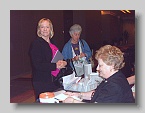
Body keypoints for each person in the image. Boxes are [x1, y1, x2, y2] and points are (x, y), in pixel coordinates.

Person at [63, 45, 135, 103]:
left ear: (111, 65)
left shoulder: (114, 86)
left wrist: (73, 101)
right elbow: (97, 94)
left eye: (100, 65)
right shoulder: (116, 77)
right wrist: (78, 95)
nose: (97, 68)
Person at [29, 18, 67, 102]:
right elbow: (37, 65)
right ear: (39, 29)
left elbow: (58, 56)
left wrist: (64, 62)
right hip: (42, 81)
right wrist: (55, 65)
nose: (45, 29)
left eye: (47, 27)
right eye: (42, 27)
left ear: (51, 29)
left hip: (54, 79)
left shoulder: (53, 42)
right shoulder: (36, 43)